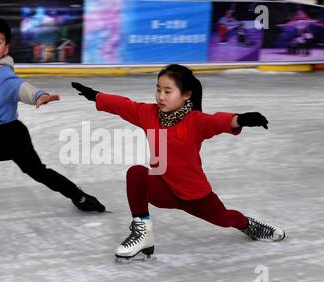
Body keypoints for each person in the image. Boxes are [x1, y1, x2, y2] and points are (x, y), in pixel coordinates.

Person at [71, 64, 285, 260]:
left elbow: (216, 122)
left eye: (167, 91)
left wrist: (241, 119)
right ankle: (142, 232)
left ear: (186, 95)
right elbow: (124, 105)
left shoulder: (195, 121)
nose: (160, 96)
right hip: (162, 189)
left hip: (195, 196)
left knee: (225, 219)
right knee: (136, 173)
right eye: (158, 90)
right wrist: (96, 96)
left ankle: (249, 225)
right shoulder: (149, 114)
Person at [0, 17, 105, 226]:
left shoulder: (4, 76)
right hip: (7, 134)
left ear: (6, 49)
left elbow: (23, 88)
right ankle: (80, 197)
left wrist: (39, 96)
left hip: (9, 136)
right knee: (39, 172)